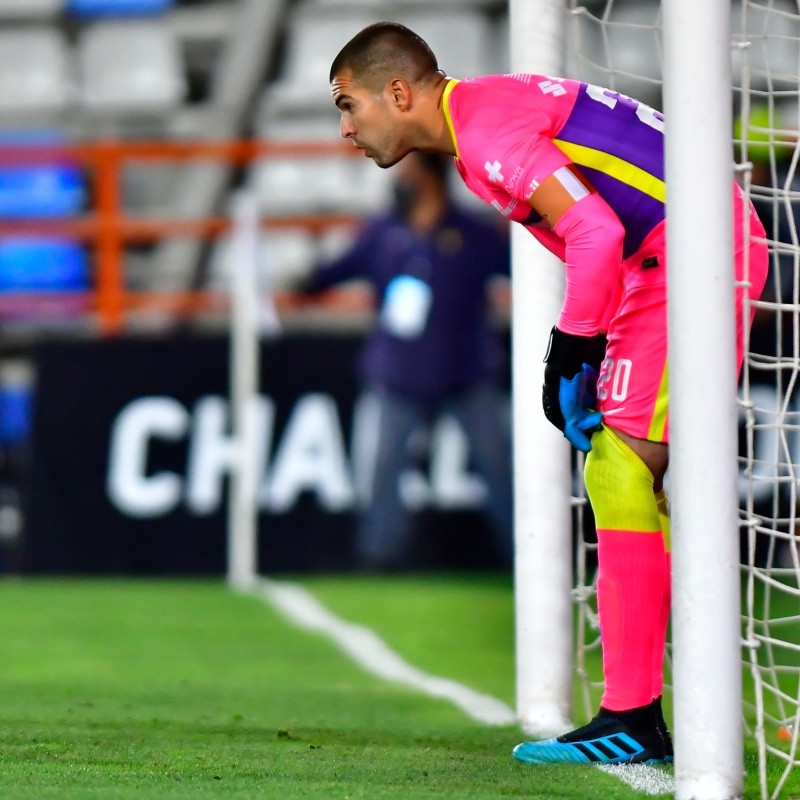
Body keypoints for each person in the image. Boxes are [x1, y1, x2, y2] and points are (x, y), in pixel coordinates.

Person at [327, 22, 770, 765]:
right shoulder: (479, 135)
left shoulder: (487, 130)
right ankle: (642, 709)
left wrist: (571, 348)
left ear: (397, 92)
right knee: (622, 470)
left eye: (349, 105)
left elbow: (594, 232)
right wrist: (584, 348)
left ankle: (637, 713)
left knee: (625, 468)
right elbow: (601, 233)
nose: (346, 127)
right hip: (662, 261)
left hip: (690, 254)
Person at [302, 151, 513, 572]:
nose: (398, 182)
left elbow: (519, 270)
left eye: (408, 173)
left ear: (431, 179)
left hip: (465, 371)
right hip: (397, 371)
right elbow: (339, 269)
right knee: (385, 466)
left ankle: (525, 551)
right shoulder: (382, 231)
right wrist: (304, 283)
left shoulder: (472, 233)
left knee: (498, 465)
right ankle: (377, 557)